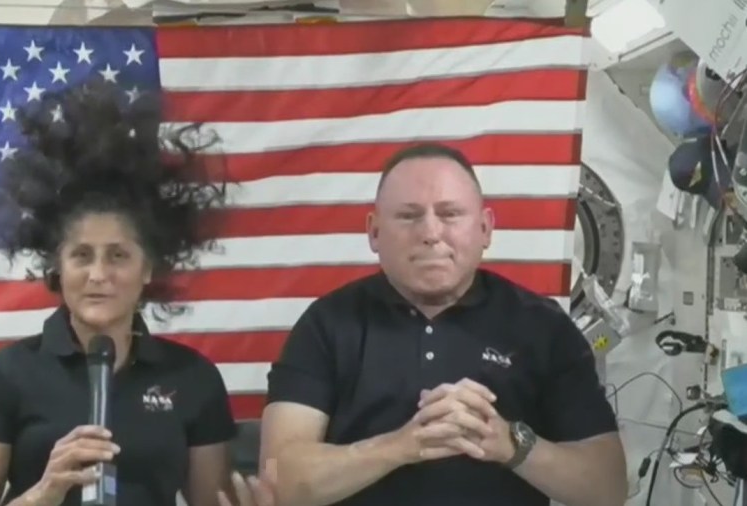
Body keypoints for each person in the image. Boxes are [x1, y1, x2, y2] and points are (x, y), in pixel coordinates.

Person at [0, 80, 271, 506]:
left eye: (118, 255)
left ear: (148, 268)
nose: (99, 274)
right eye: (82, 255)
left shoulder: (193, 378)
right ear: (57, 267)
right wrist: (44, 493)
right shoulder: (5, 376)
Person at [259, 144, 628, 506]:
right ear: (373, 232)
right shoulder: (326, 325)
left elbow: (607, 489)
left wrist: (510, 444)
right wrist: (401, 446)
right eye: (408, 215)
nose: (431, 233)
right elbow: (279, 482)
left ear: (485, 228)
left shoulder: (543, 326)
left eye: (450, 214)